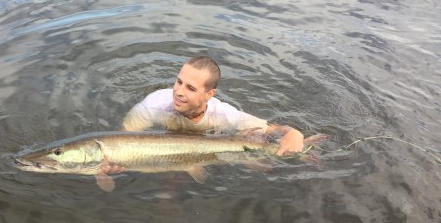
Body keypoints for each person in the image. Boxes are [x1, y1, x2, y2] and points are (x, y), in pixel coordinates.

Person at [103, 56, 304, 174]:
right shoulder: (153, 105)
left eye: (190, 88)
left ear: (209, 95)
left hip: (205, 145)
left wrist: (294, 133)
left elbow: (273, 129)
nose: (179, 92)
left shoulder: (224, 115)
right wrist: (112, 163)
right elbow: (121, 139)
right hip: (171, 144)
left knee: (264, 168)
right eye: (178, 82)